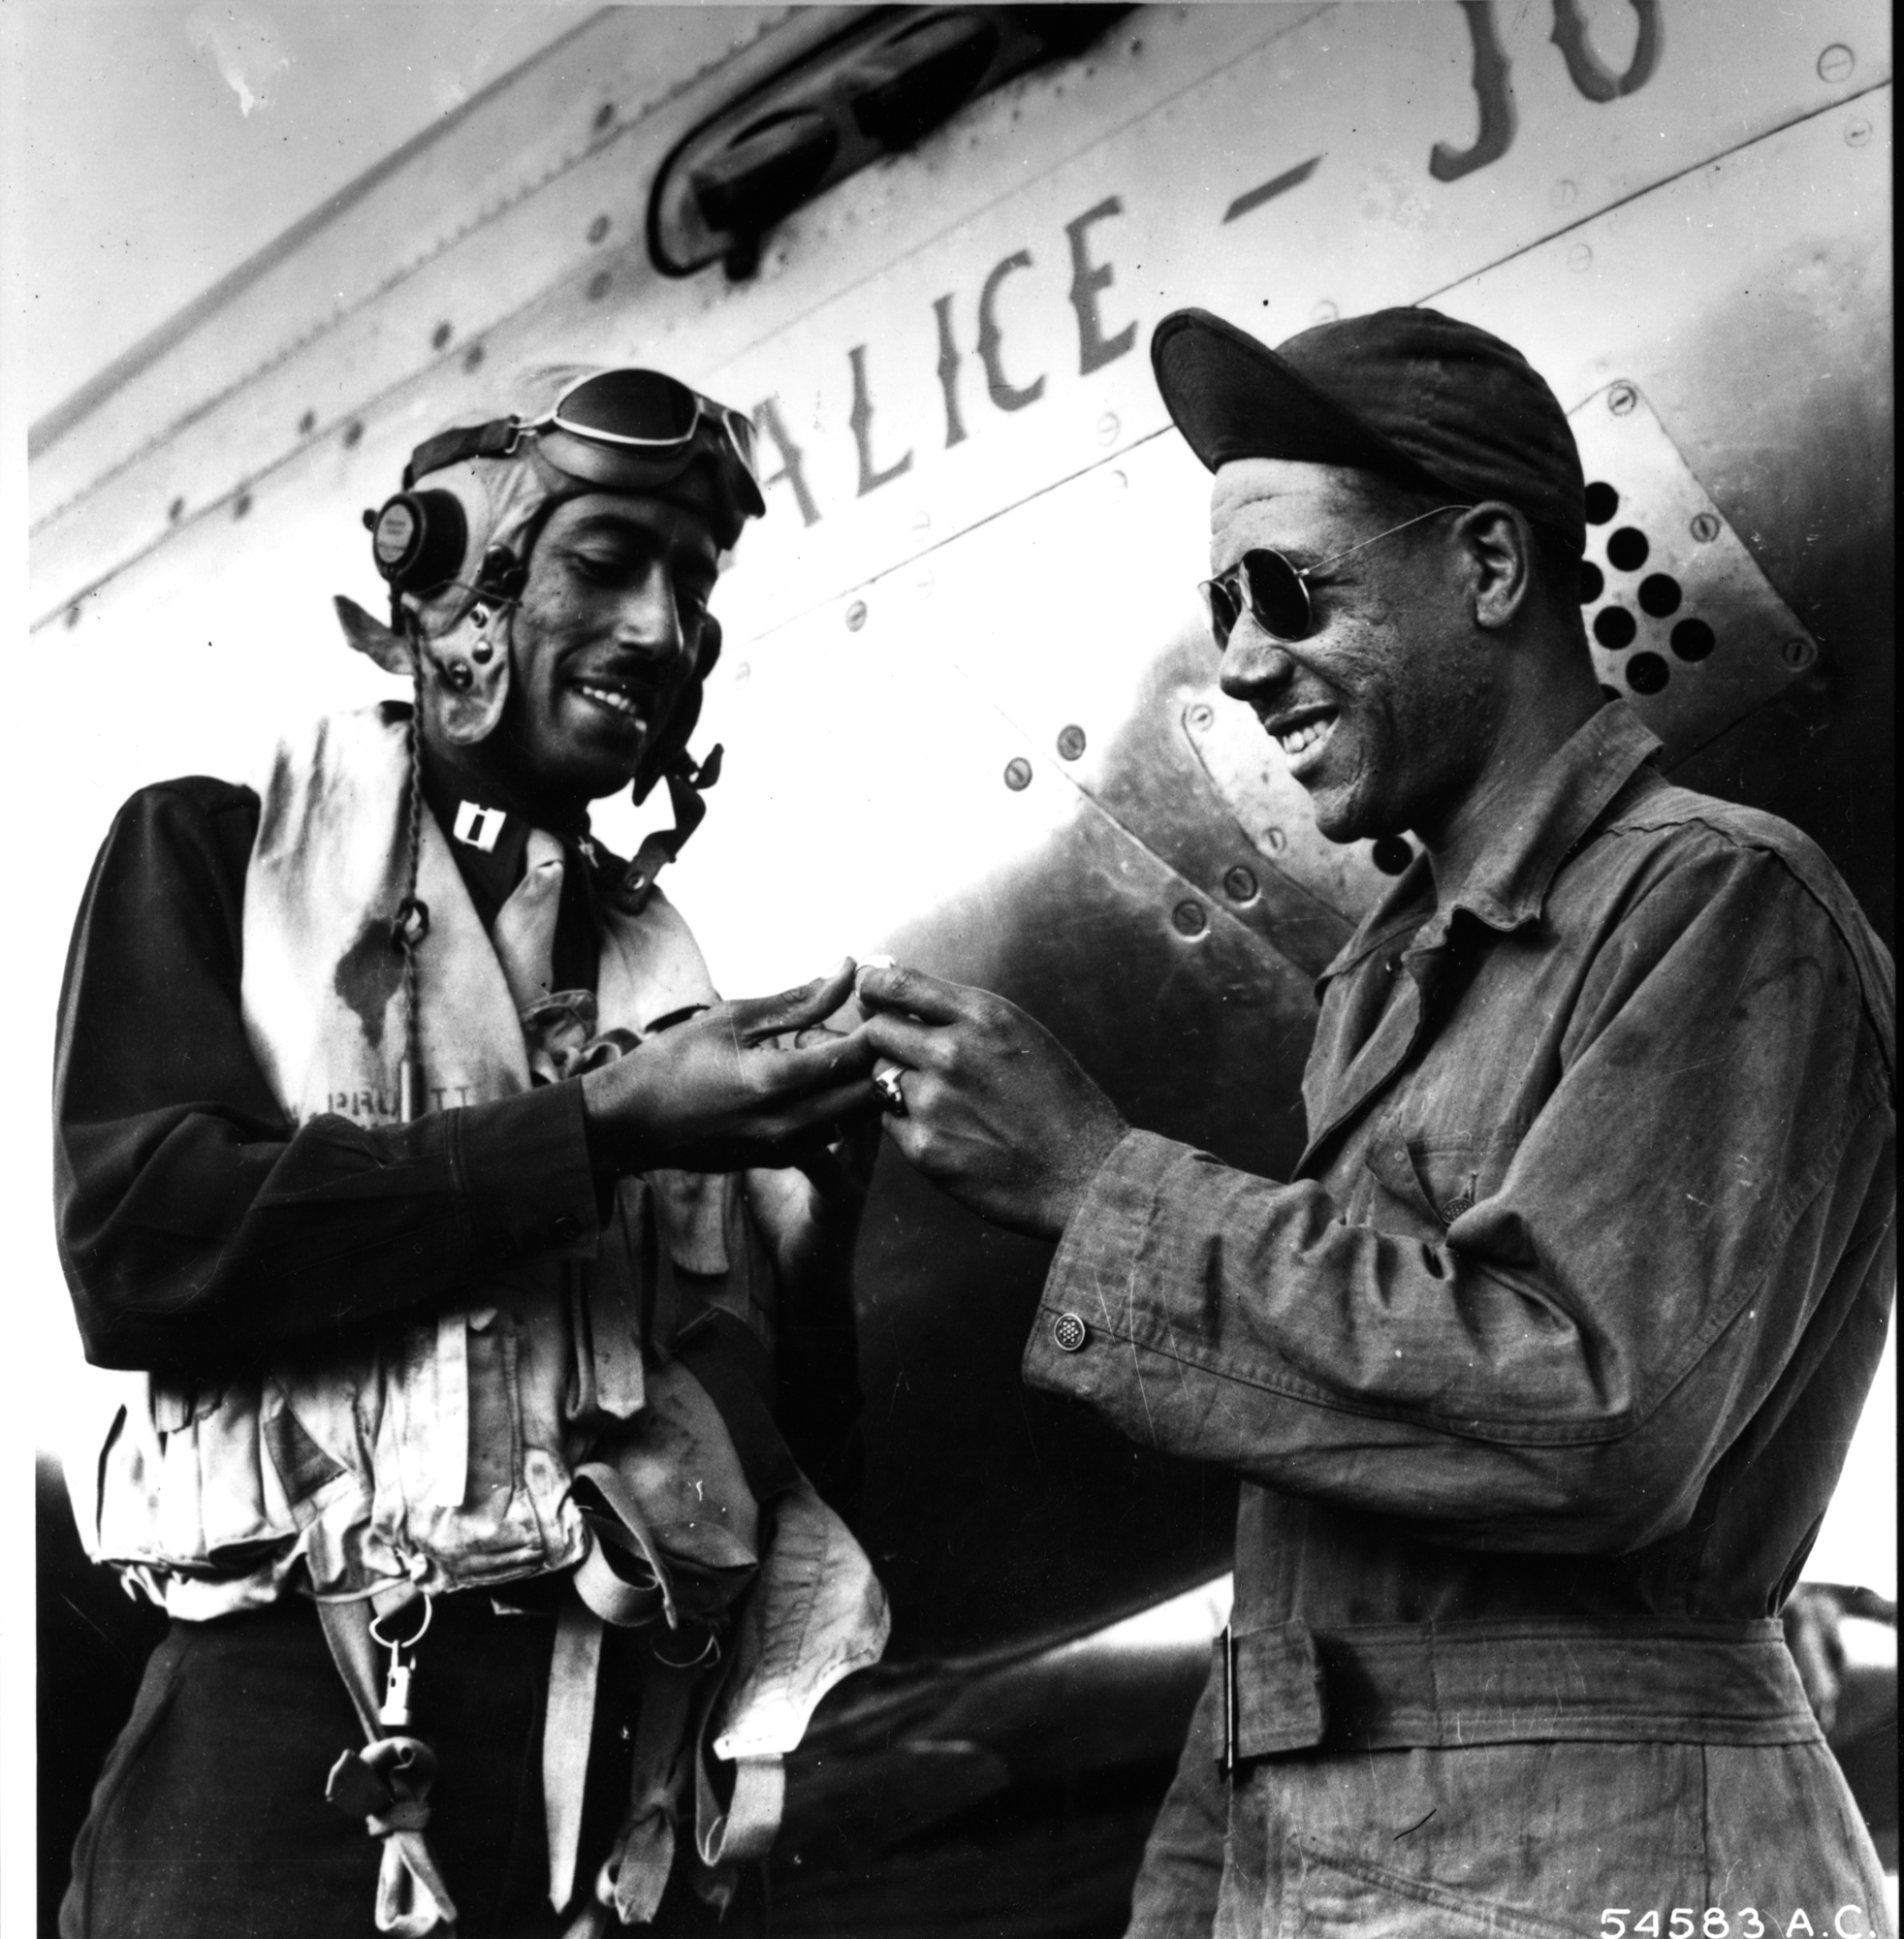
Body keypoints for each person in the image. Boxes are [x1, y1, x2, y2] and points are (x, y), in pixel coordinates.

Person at [855, 307, 1897, 1935]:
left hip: (1590, 1867)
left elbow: (1596, 1422)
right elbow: (1311, 1582)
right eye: (1221, 608)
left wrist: (1096, 1183)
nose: (1239, 663)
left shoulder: (1723, 903)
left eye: (1288, 590)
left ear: (1489, 567)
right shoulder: (1389, 975)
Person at [54, 365, 890, 1938]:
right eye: (609, 563)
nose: (664, 631)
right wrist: (605, 1128)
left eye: (694, 590)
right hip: (290, 1763)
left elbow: (779, 1481)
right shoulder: (216, 856)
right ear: (455, 585)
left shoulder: (665, 981)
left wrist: (818, 1248)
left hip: (613, 1802)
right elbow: (139, 1249)